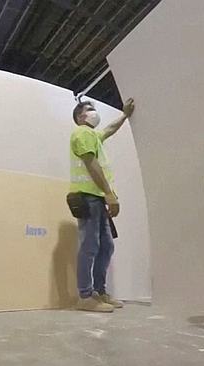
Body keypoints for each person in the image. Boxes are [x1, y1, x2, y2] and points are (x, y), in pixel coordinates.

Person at [67, 98, 135, 313]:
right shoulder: (82, 133)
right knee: (90, 246)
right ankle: (85, 296)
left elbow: (109, 129)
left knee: (106, 246)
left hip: (96, 198)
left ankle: (99, 292)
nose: (94, 112)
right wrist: (109, 193)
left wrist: (124, 115)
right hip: (88, 197)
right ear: (80, 117)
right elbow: (91, 163)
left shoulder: (93, 136)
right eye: (89, 109)